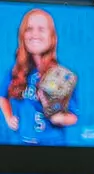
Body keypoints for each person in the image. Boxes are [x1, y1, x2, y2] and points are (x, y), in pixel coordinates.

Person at [2, 8, 78, 144]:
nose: (34, 34)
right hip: (20, 144)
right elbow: (2, 97)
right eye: (29, 29)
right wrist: (9, 117)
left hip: (51, 146)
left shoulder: (61, 76)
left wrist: (57, 117)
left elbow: (73, 116)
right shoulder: (16, 71)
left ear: (52, 37)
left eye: (41, 29)